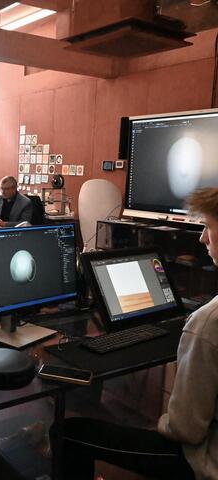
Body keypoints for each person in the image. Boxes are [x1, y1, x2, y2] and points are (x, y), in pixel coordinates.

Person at [54, 187, 218, 480]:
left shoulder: (207, 323)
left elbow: (186, 430)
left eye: (207, 227)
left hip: (201, 463)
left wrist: (153, 425)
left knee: (67, 432)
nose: (202, 238)